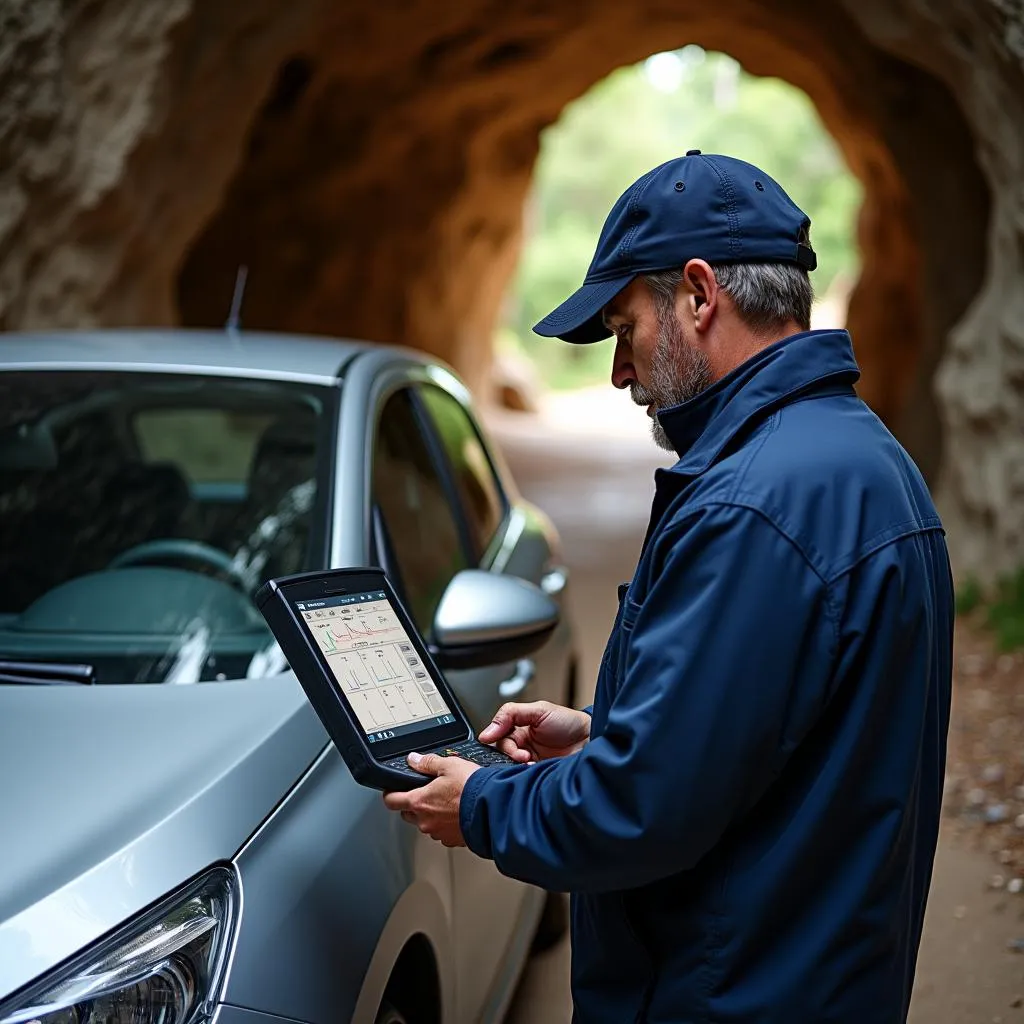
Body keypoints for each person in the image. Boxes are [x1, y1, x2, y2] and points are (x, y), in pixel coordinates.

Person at [383, 151, 954, 1023]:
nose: (618, 371)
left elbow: (640, 810)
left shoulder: (751, 504)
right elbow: (769, 735)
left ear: (697, 294)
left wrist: (485, 803)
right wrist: (604, 732)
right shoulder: (865, 459)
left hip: (729, 992)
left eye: (623, 329)